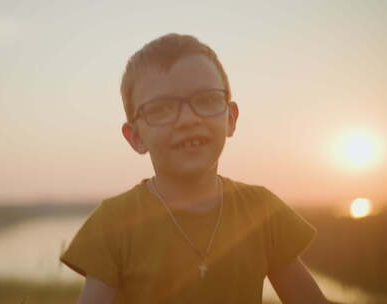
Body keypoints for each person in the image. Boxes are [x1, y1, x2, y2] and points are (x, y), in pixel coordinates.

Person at [60, 33, 333, 303]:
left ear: (231, 118)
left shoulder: (261, 210)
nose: (188, 119)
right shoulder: (112, 222)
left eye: (206, 100)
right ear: (136, 137)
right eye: (162, 108)